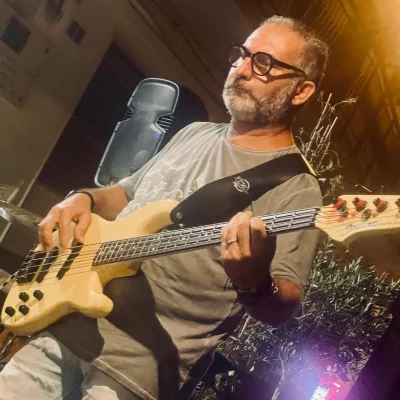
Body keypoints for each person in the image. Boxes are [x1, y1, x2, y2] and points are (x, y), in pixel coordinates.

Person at [0, 15, 329, 400]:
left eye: (264, 63)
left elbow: (282, 305)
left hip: (140, 370)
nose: (241, 69)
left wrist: (254, 280)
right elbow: (125, 194)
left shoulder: (296, 185)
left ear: (301, 91)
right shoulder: (194, 132)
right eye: (242, 55)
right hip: (67, 322)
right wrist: (83, 199)